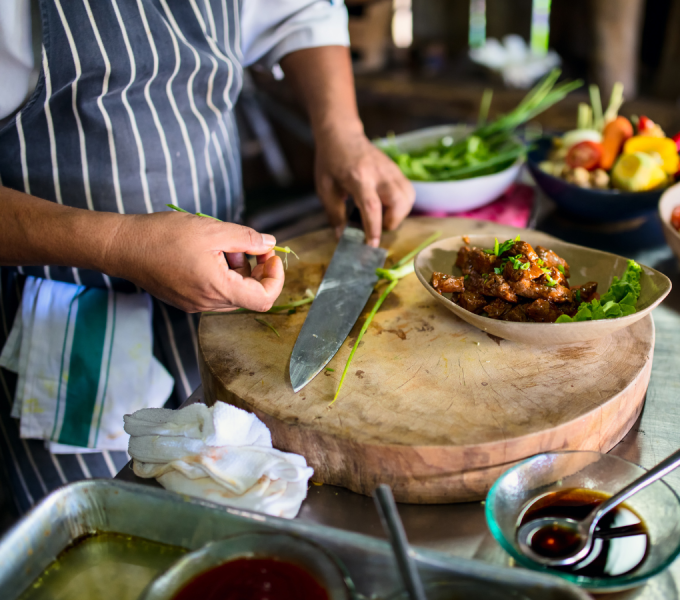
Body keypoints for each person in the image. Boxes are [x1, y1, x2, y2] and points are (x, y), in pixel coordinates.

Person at [0, 0, 414, 519]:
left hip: (230, 314)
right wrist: (116, 245)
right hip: (67, 332)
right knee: (113, 535)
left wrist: (342, 131)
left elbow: (303, 11)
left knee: (239, 516)